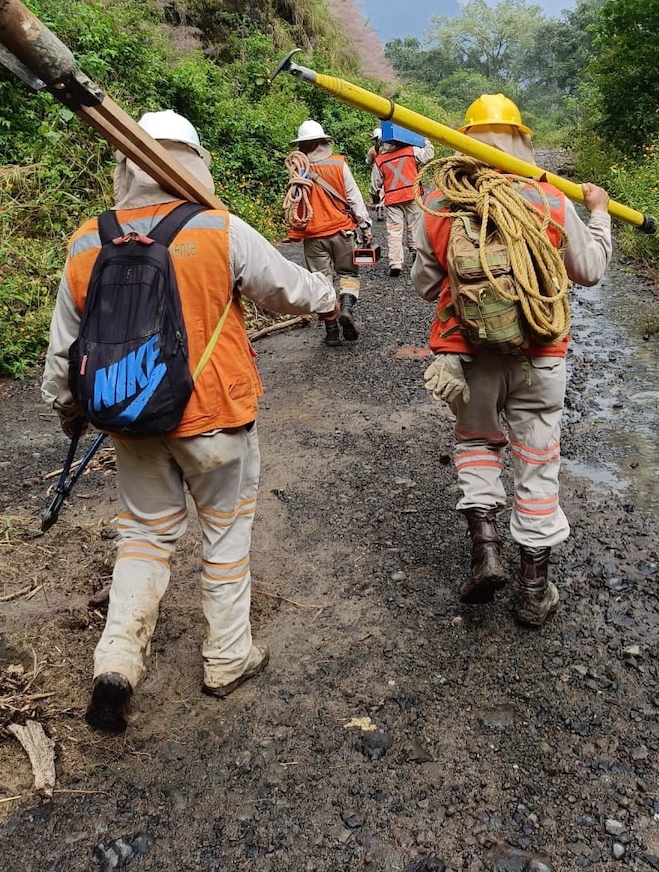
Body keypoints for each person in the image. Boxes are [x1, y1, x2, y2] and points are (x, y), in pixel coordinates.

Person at [41, 110, 338, 733]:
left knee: (144, 538)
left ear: (127, 165)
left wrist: (68, 408)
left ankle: (117, 663)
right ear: (194, 162)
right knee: (225, 537)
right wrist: (332, 293)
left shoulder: (87, 241)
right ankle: (228, 658)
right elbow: (291, 290)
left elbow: (64, 351)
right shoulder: (216, 229)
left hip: (131, 423)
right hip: (216, 420)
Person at [411, 94, 612, 626]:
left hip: (466, 358)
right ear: (522, 141)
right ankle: (533, 589)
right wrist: (598, 216)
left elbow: (425, 284)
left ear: (465, 141)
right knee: (536, 459)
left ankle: (486, 551)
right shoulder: (549, 199)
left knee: (476, 444)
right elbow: (589, 270)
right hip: (542, 354)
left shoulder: (439, 203)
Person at [285, 119, 373, 347]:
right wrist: (365, 225)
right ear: (323, 142)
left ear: (302, 145)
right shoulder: (338, 164)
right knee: (348, 274)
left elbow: (295, 203)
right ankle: (346, 308)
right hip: (342, 231)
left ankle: (332, 331)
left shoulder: (298, 170)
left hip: (313, 235)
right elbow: (354, 198)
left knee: (322, 282)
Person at [372, 130, 434, 277]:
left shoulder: (380, 160)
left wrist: (375, 199)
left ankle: (395, 263)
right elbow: (429, 154)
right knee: (415, 227)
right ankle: (416, 254)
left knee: (394, 232)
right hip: (412, 196)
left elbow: (375, 186)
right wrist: (423, 138)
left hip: (393, 200)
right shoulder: (411, 151)